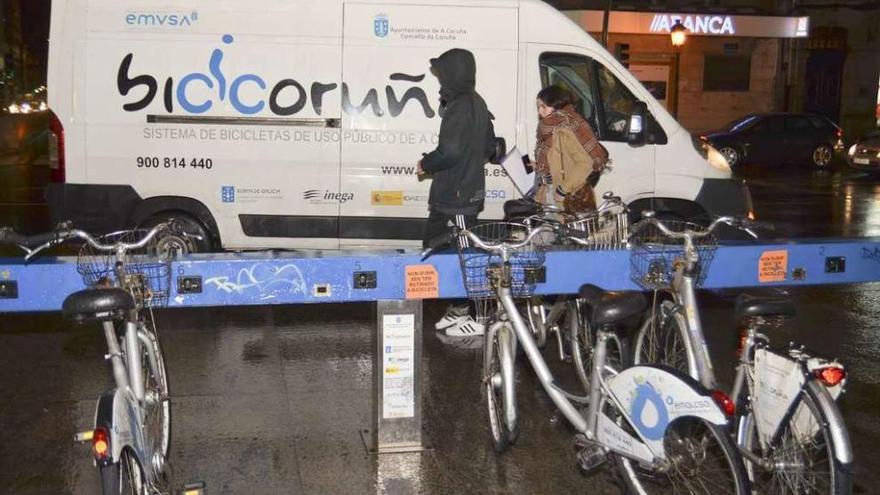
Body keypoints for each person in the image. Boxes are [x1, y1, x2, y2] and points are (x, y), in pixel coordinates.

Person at [418, 48, 496, 337]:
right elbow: (490, 147)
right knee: (436, 248)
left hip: (458, 196)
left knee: (467, 254)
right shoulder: (476, 101)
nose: (440, 80)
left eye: (443, 73)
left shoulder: (462, 105)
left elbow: (449, 150)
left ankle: (480, 314)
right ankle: (459, 308)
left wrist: (426, 163)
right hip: (454, 193)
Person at [533, 85, 608, 215]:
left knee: (563, 234)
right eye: (538, 107)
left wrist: (563, 190)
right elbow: (557, 160)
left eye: (543, 107)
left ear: (556, 106)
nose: (540, 111)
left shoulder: (564, 130)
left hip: (566, 197)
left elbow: (585, 164)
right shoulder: (550, 129)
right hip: (549, 192)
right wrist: (537, 166)